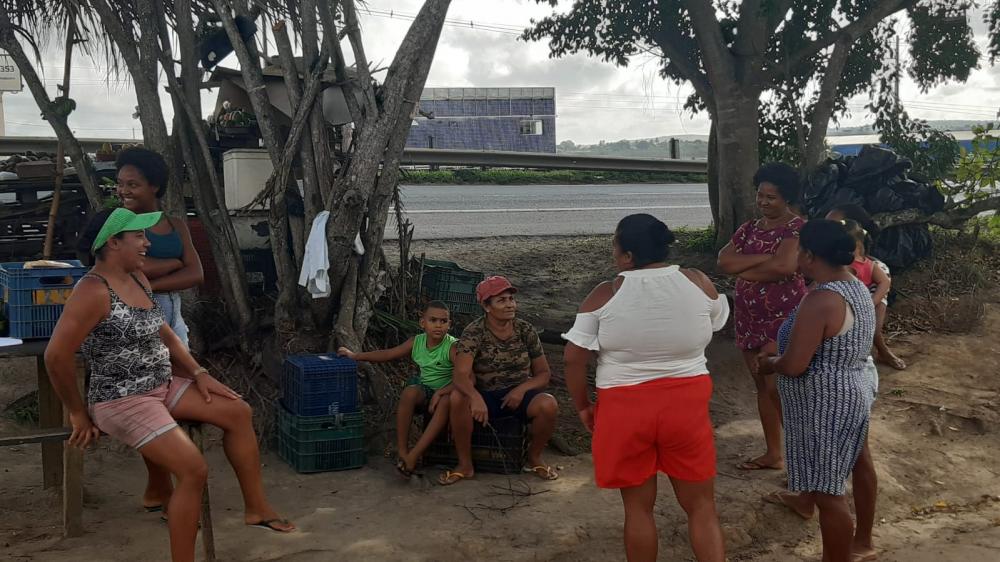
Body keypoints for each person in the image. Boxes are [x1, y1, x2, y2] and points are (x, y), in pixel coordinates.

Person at [45, 208, 294, 562]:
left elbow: (165, 333)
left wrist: (198, 372)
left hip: (161, 385)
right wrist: (77, 413)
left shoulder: (138, 278)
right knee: (193, 469)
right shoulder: (92, 291)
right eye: (139, 237)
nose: (147, 243)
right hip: (121, 400)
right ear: (114, 243)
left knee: (239, 411)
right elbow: (56, 357)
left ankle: (257, 509)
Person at [563, 214, 728, 562]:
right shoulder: (697, 281)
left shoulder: (603, 295)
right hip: (686, 406)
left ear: (627, 256)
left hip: (624, 408)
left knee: (638, 511)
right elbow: (714, 321)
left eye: (615, 244)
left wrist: (583, 405)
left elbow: (573, 358)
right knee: (701, 507)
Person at [758, 219, 876, 562]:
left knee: (828, 495)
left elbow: (796, 364)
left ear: (809, 256)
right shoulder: (854, 286)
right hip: (851, 391)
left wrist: (770, 364)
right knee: (834, 480)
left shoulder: (821, 299)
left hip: (823, 403)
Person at [114, 146, 206, 513]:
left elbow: (196, 274)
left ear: (155, 187)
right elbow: (119, 275)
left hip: (173, 321)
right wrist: (173, 264)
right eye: (120, 184)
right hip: (136, 325)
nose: (123, 190)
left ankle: (165, 483)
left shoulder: (176, 225)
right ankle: (160, 484)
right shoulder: (117, 225)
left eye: (132, 184)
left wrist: (152, 270)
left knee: (175, 404)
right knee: (150, 406)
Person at [717, 162, 807, 472]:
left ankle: (801, 458)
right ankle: (774, 453)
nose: (764, 202)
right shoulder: (749, 228)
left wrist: (747, 268)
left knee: (775, 387)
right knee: (761, 387)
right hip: (749, 318)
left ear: (787, 198)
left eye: (772, 197)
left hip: (781, 321)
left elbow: (786, 268)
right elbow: (725, 261)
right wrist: (768, 260)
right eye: (761, 195)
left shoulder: (797, 228)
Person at [439, 276, 560, 485]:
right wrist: (475, 397)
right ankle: (464, 465)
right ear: (486, 306)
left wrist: (522, 389)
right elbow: (460, 374)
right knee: (458, 398)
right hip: (486, 395)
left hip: (519, 395)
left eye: (511, 299)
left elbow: (543, 374)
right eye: (501, 300)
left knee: (548, 404)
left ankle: (534, 458)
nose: (510, 305)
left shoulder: (526, 330)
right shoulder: (474, 332)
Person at [338, 301, 457, 478]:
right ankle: (403, 451)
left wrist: (441, 392)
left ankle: (413, 456)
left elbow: (466, 378)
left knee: (446, 402)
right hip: (426, 390)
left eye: (443, 321)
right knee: (409, 392)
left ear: (449, 324)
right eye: (433, 320)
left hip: (449, 392)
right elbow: (388, 354)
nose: (438, 325)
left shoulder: (452, 346)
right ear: (422, 323)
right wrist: (355, 356)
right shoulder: (416, 341)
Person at [826, 205, 906, 370]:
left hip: (859, 309)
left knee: (866, 332)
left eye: (833, 226)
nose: (826, 230)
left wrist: (868, 304)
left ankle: (878, 349)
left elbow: (884, 282)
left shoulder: (870, 266)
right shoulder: (821, 256)